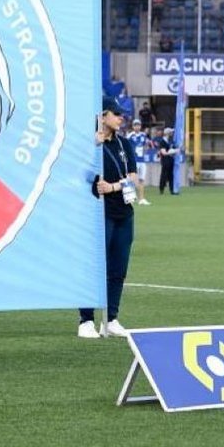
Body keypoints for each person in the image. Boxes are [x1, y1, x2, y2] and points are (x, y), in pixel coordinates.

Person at [80, 99, 139, 339]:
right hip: (99, 213)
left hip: (124, 212)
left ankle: (111, 319)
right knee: (94, 267)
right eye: (116, 114)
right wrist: (94, 147)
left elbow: (134, 178)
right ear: (102, 116)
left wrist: (113, 186)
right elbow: (81, 173)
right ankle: (86, 320)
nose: (121, 118)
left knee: (118, 269)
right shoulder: (89, 144)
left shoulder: (125, 143)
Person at [125, 119, 153, 206]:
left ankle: (141, 198)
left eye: (138, 125)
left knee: (141, 179)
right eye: (135, 125)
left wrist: (146, 149)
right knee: (132, 179)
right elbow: (126, 147)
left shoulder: (143, 135)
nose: (137, 127)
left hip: (142, 160)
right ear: (133, 126)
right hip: (134, 160)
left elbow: (147, 145)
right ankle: (130, 198)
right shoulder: (130, 136)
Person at [157, 126, 177, 195]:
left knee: (171, 176)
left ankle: (172, 190)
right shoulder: (162, 142)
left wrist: (175, 150)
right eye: (171, 132)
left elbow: (174, 149)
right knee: (164, 175)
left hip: (171, 160)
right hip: (165, 161)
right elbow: (163, 153)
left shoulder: (171, 141)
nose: (172, 133)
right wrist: (172, 151)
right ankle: (161, 189)